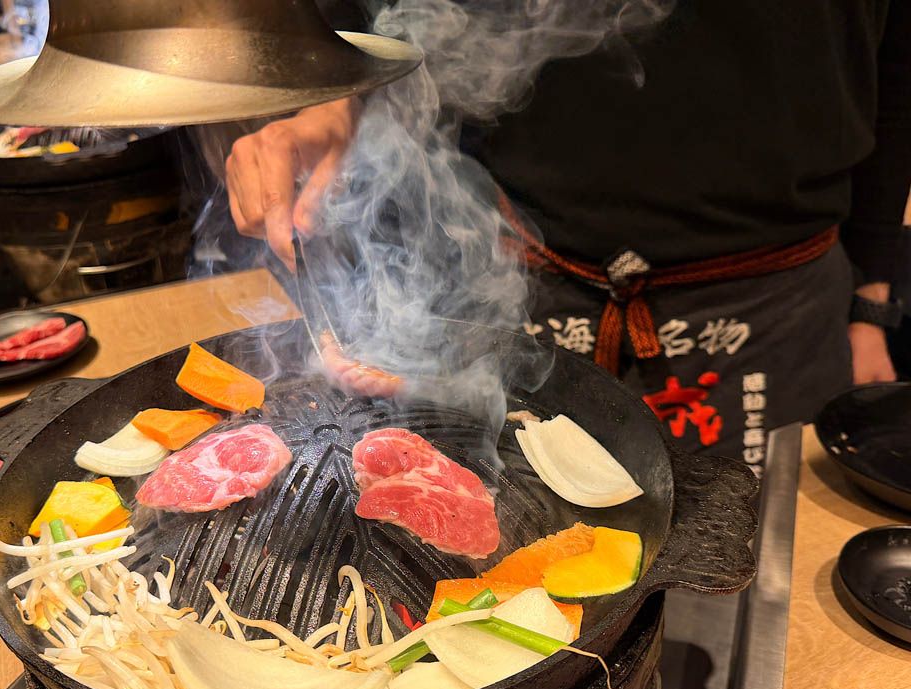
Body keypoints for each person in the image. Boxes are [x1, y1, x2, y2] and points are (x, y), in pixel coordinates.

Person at [222, 1, 910, 470]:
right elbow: (364, 28)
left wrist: (871, 305)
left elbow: (896, 64)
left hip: (775, 312)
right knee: (523, 570)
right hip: (523, 288)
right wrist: (339, 93)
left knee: (754, 598)